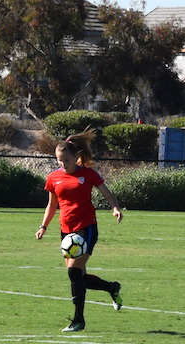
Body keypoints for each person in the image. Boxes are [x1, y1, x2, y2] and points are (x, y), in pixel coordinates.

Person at [36, 128, 124, 332]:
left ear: (76, 157)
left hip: (86, 228)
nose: (62, 164)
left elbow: (109, 195)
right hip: (66, 231)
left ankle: (78, 320)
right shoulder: (53, 178)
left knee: (73, 272)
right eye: (59, 160)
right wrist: (43, 226)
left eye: (66, 160)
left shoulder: (89, 174)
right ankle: (112, 287)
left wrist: (115, 208)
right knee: (79, 277)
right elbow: (52, 205)